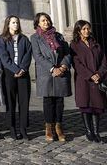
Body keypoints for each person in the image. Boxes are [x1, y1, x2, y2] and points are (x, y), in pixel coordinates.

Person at [31, 12, 71, 142]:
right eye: (43, 20)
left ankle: (59, 127)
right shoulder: (35, 38)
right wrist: (52, 68)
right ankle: (48, 128)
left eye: (47, 19)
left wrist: (63, 66)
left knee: (59, 101)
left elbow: (67, 53)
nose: (46, 22)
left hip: (61, 71)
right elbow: (38, 56)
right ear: (38, 23)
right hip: (46, 73)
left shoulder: (58, 36)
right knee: (48, 101)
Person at [70, 20, 107, 143]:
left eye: (88, 28)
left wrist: (99, 74)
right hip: (83, 80)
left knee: (97, 106)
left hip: (97, 80)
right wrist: (90, 75)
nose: (87, 31)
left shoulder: (95, 44)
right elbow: (77, 64)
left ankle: (96, 132)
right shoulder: (74, 45)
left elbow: (103, 61)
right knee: (86, 106)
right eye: (84, 29)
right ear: (78, 30)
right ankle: (89, 131)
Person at [0, 15, 32, 140]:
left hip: (23, 75)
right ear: (8, 24)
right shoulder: (2, 39)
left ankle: (23, 128)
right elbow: (4, 57)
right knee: (10, 102)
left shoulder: (24, 39)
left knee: (23, 102)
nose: (16, 24)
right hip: (9, 74)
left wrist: (22, 69)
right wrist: (15, 69)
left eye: (17, 22)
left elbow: (28, 54)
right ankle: (12, 128)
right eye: (13, 22)